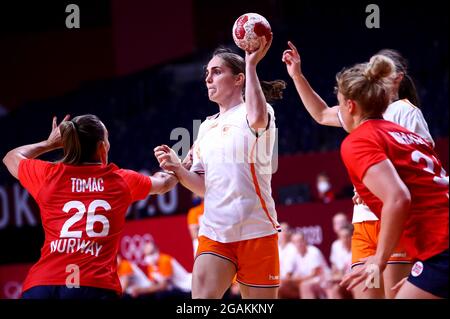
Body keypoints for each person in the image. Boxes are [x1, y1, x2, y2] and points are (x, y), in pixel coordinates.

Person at [282, 43, 434, 298]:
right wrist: (297, 75)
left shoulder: (405, 111)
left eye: (380, 70)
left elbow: (422, 168)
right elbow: (320, 114)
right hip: (363, 223)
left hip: (392, 220)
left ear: (397, 78)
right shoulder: (362, 114)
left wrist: (378, 186)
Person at [154, 34, 286, 299]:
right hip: (215, 231)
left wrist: (250, 65)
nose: (208, 78)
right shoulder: (205, 127)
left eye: (217, 72)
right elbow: (204, 187)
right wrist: (179, 170)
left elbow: (258, 118)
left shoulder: (259, 111)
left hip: (257, 230)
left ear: (238, 80)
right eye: (207, 73)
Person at [2, 114, 179, 299]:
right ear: (102, 147)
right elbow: (165, 183)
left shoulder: (48, 176)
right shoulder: (120, 180)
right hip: (92, 286)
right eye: (107, 138)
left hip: (43, 285)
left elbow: (10, 158)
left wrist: (49, 144)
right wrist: (181, 166)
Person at [329, 55, 448, 298]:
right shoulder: (402, 133)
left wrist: (378, 261)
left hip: (442, 245)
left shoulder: (358, 141)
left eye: (339, 104)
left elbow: (398, 198)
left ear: (350, 106)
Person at [282, 232, 330, 299]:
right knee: (282, 287)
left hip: (323, 283)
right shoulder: (293, 254)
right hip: (304, 282)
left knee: (305, 286)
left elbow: (314, 274)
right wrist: (289, 280)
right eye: (296, 242)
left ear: (305, 241)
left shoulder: (313, 251)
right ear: (292, 244)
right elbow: (288, 274)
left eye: (300, 241)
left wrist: (294, 279)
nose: (299, 244)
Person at [324, 223, 353, 299]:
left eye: (347, 236)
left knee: (356, 287)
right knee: (333, 290)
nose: (344, 239)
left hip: (356, 280)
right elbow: (335, 269)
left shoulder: (358, 247)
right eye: (342, 237)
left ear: (352, 237)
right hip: (343, 280)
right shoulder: (336, 245)